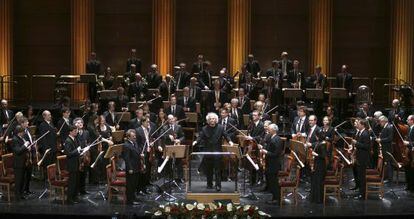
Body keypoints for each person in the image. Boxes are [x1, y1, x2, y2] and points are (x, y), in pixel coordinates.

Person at [193, 112, 234, 191]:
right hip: (208, 152)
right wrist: (196, 141)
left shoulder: (221, 128)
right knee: (209, 170)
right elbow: (200, 136)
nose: (212, 120)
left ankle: (218, 185)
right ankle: (209, 184)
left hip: (217, 152)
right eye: (210, 119)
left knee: (218, 170)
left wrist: (230, 141)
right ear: (208, 120)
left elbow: (226, 135)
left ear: (216, 120)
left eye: (214, 119)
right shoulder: (204, 128)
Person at [259, 123, 283, 204]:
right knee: (270, 181)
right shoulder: (271, 137)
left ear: (273, 130)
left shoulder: (278, 139)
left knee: (274, 182)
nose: (267, 130)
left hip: (274, 164)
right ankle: (274, 197)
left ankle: (277, 199)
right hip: (269, 163)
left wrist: (266, 152)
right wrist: (263, 148)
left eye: (269, 128)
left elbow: (276, 154)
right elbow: (269, 147)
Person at [351, 119, 371, 199]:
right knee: (359, 176)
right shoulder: (361, 133)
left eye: (359, 124)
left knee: (362, 177)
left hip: (362, 159)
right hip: (359, 158)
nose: (357, 125)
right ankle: (360, 192)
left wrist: (356, 143)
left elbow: (367, 146)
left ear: (363, 125)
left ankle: (362, 195)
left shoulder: (365, 134)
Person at [122, 129, 141, 205]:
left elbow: (137, 151)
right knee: (130, 185)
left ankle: (133, 197)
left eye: (135, 136)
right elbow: (126, 158)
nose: (135, 137)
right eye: (133, 136)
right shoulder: (126, 145)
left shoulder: (134, 142)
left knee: (135, 183)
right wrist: (130, 168)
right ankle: (129, 200)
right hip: (131, 168)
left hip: (137, 166)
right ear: (128, 137)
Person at [12, 125, 31, 201]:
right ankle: (17, 196)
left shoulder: (21, 138)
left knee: (22, 180)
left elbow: (23, 149)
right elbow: (18, 151)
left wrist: (27, 148)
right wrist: (25, 145)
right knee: (18, 181)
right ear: (19, 132)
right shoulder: (15, 139)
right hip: (18, 163)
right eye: (23, 132)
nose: (24, 133)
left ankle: (21, 194)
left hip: (23, 162)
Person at [64, 125, 82, 204]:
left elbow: (77, 150)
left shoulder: (75, 139)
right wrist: (77, 150)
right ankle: (69, 199)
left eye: (77, 130)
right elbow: (68, 153)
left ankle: (75, 197)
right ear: (70, 132)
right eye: (75, 131)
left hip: (76, 163)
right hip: (71, 165)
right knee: (72, 182)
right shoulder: (68, 140)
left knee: (76, 182)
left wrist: (81, 150)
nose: (76, 132)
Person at [310, 129, 327, 203]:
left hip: (320, 165)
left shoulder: (323, 144)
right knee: (315, 181)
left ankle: (318, 199)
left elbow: (323, 156)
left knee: (319, 181)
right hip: (317, 163)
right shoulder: (319, 142)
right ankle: (315, 198)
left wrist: (315, 154)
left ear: (317, 136)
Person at [376, 116, 394, 183]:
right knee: (386, 164)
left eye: (380, 122)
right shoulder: (385, 127)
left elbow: (390, 138)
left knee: (389, 164)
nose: (379, 123)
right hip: (384, 148)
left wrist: (381, 140)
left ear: (384, 121)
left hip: (388, 149)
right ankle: (386, 177)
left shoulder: (389, 127)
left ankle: (390, 179)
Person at [403, 115, 414, 192]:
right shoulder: (409, 128)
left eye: (408, 119)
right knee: (407, 169)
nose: (407, 121)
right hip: (408, 152)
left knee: (411, 170)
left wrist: (408, 143)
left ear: (412, 120)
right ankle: (409, 185)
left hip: (412, 153)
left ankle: (412, 187)